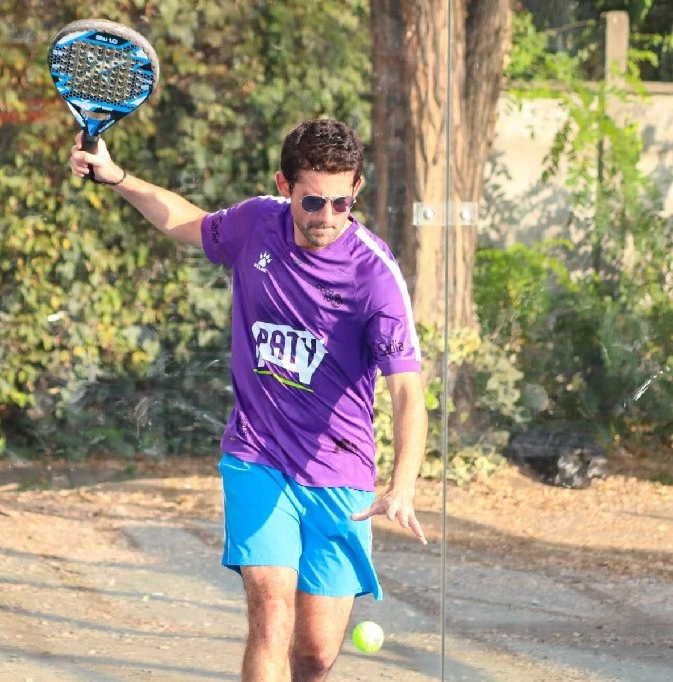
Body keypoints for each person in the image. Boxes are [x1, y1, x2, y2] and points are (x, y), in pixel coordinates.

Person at [69, 118, 428, 682]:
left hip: (340, 470)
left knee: (315, 654)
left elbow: (407, 391)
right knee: (271, 614)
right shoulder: (257, 223)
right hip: (257, 456)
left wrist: (402, 485)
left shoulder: (374, 276)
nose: (328, 216)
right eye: (313, 201)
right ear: (285, 185)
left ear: (356, 189)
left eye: (341, 202)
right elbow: (187, 222)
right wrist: (116, 176)